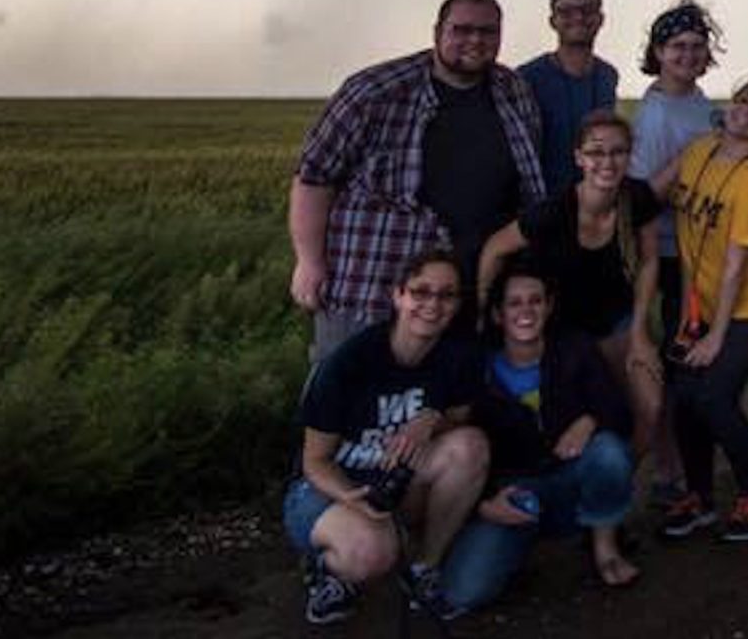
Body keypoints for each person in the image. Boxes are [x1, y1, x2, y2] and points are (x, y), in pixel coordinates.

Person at [290, 0, 547, 356]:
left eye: (488, 32)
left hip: (468, 286)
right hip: (374, 278)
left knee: (445, 399)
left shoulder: (513, 92)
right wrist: (309, 262)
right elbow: (314, 178)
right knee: (351, 391)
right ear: (437, 31)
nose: (475, 40)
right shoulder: (375, 92)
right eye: (462, 29)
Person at [284, 250, 489, 625]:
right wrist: (349, 496)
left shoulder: (456, 358)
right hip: (328, 488)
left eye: (446, 295)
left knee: (471, 445)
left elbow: (460, 421)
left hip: (394, 482)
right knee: (373, 552)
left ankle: (424, 567)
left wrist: (432, 420)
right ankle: (326, 570)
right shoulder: (350, 362)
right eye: (420, 292)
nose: (432, 304)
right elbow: (315, 462)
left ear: (458, 303)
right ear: (398, 296)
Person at [638, 73, 748, 542]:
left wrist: (714, 334)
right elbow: (676, 223)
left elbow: (735, 267)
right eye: (744, 99)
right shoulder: (700, 150)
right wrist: (693, 313)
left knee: (713, 395)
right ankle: (700, 497)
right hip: (706, 302)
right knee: (685, 394)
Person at [475, 109, 665, 483]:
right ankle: (574, 490)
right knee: (577, 414)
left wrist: (641, 334)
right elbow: (495, 248)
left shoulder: (637, 197)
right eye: (596, 152)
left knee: (651, 405)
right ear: (578, 157)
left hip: (618, 322)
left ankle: (611, 491)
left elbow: (648, 264)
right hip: (564, 331)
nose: (607, 162)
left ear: (629, 155)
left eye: (617, 152)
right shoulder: (553, 212)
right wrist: (483, 309)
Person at [442, 265, 640, 611]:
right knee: (463, 592)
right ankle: (515, 548)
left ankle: (604, 547)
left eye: (535, 301)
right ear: (498, 314)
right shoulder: (477, 368)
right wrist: (484, 502)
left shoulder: (574, 347)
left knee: (609, 453)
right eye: (514, 303)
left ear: (549, 306)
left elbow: (620, 412)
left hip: (568, 479)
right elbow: (456, 449)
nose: (526, 311)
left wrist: (590, 419)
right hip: (512, 491)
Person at [518, 0, 619, 198]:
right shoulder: (526, 78)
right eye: (566, 11)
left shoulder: (608, 76)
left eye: (587, 10)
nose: (578, 18)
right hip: (541, 203)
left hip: (594, 202)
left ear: (600, 19)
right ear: (552, 21)